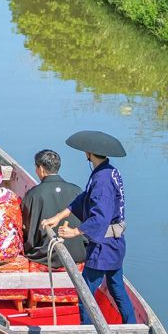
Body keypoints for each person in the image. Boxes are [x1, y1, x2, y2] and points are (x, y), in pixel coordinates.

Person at [41, 130, 137, 324]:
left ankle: (88, 331)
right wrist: (60, 216)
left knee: (85, 293)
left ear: (89, 153)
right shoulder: (108, 171)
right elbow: (84, 198)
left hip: (104, 246)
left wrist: (75, 232)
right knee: (116, 287)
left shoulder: (102, 180)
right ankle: (132, 325)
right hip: (116, 244)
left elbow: (100, 217)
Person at [22, 149, 86, 266]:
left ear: (40, 168)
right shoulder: (77, 190)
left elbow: (27, 230)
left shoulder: (33, 194)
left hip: (46, 255)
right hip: (77, 254)